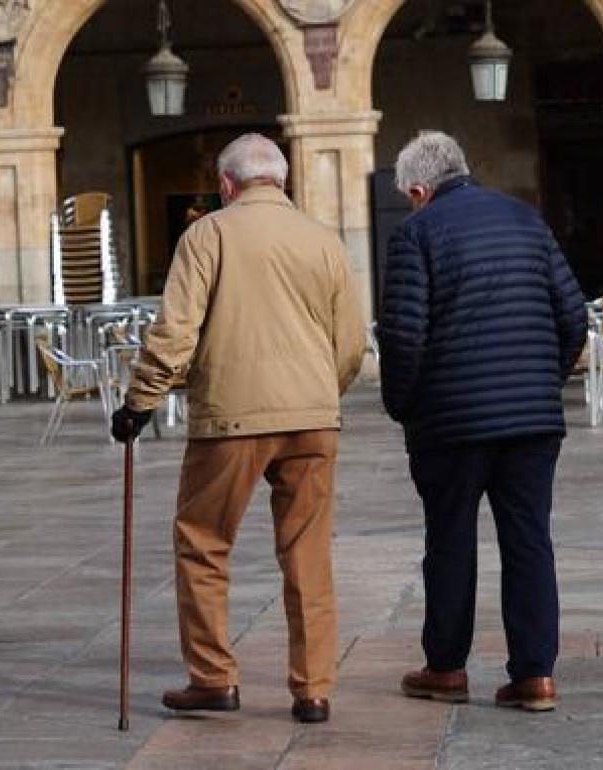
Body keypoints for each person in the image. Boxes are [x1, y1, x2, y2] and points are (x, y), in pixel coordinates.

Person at [110, 133, 366, 724]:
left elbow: (176, 330)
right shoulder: (323, 240)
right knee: (308, 554)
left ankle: (213, 677)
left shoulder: (208, 234)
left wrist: (140, 401)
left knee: (203, 543)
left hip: (230, 417)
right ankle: (313, 688)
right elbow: (351, 342)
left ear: (227, 184)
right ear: (282, 180)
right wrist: (323, 392)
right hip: (312, 418)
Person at [377, 131, 586, 712]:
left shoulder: (415, 234)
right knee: (529, 542)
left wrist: (404, 405)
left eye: (408, 196)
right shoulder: (525, 219)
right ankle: (535, 676)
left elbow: (402, 336)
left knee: (449, 541)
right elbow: (574, 317)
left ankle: (445, 669)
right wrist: (544, 384)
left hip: (451, 424)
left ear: (420, 189)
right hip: (532, 422)